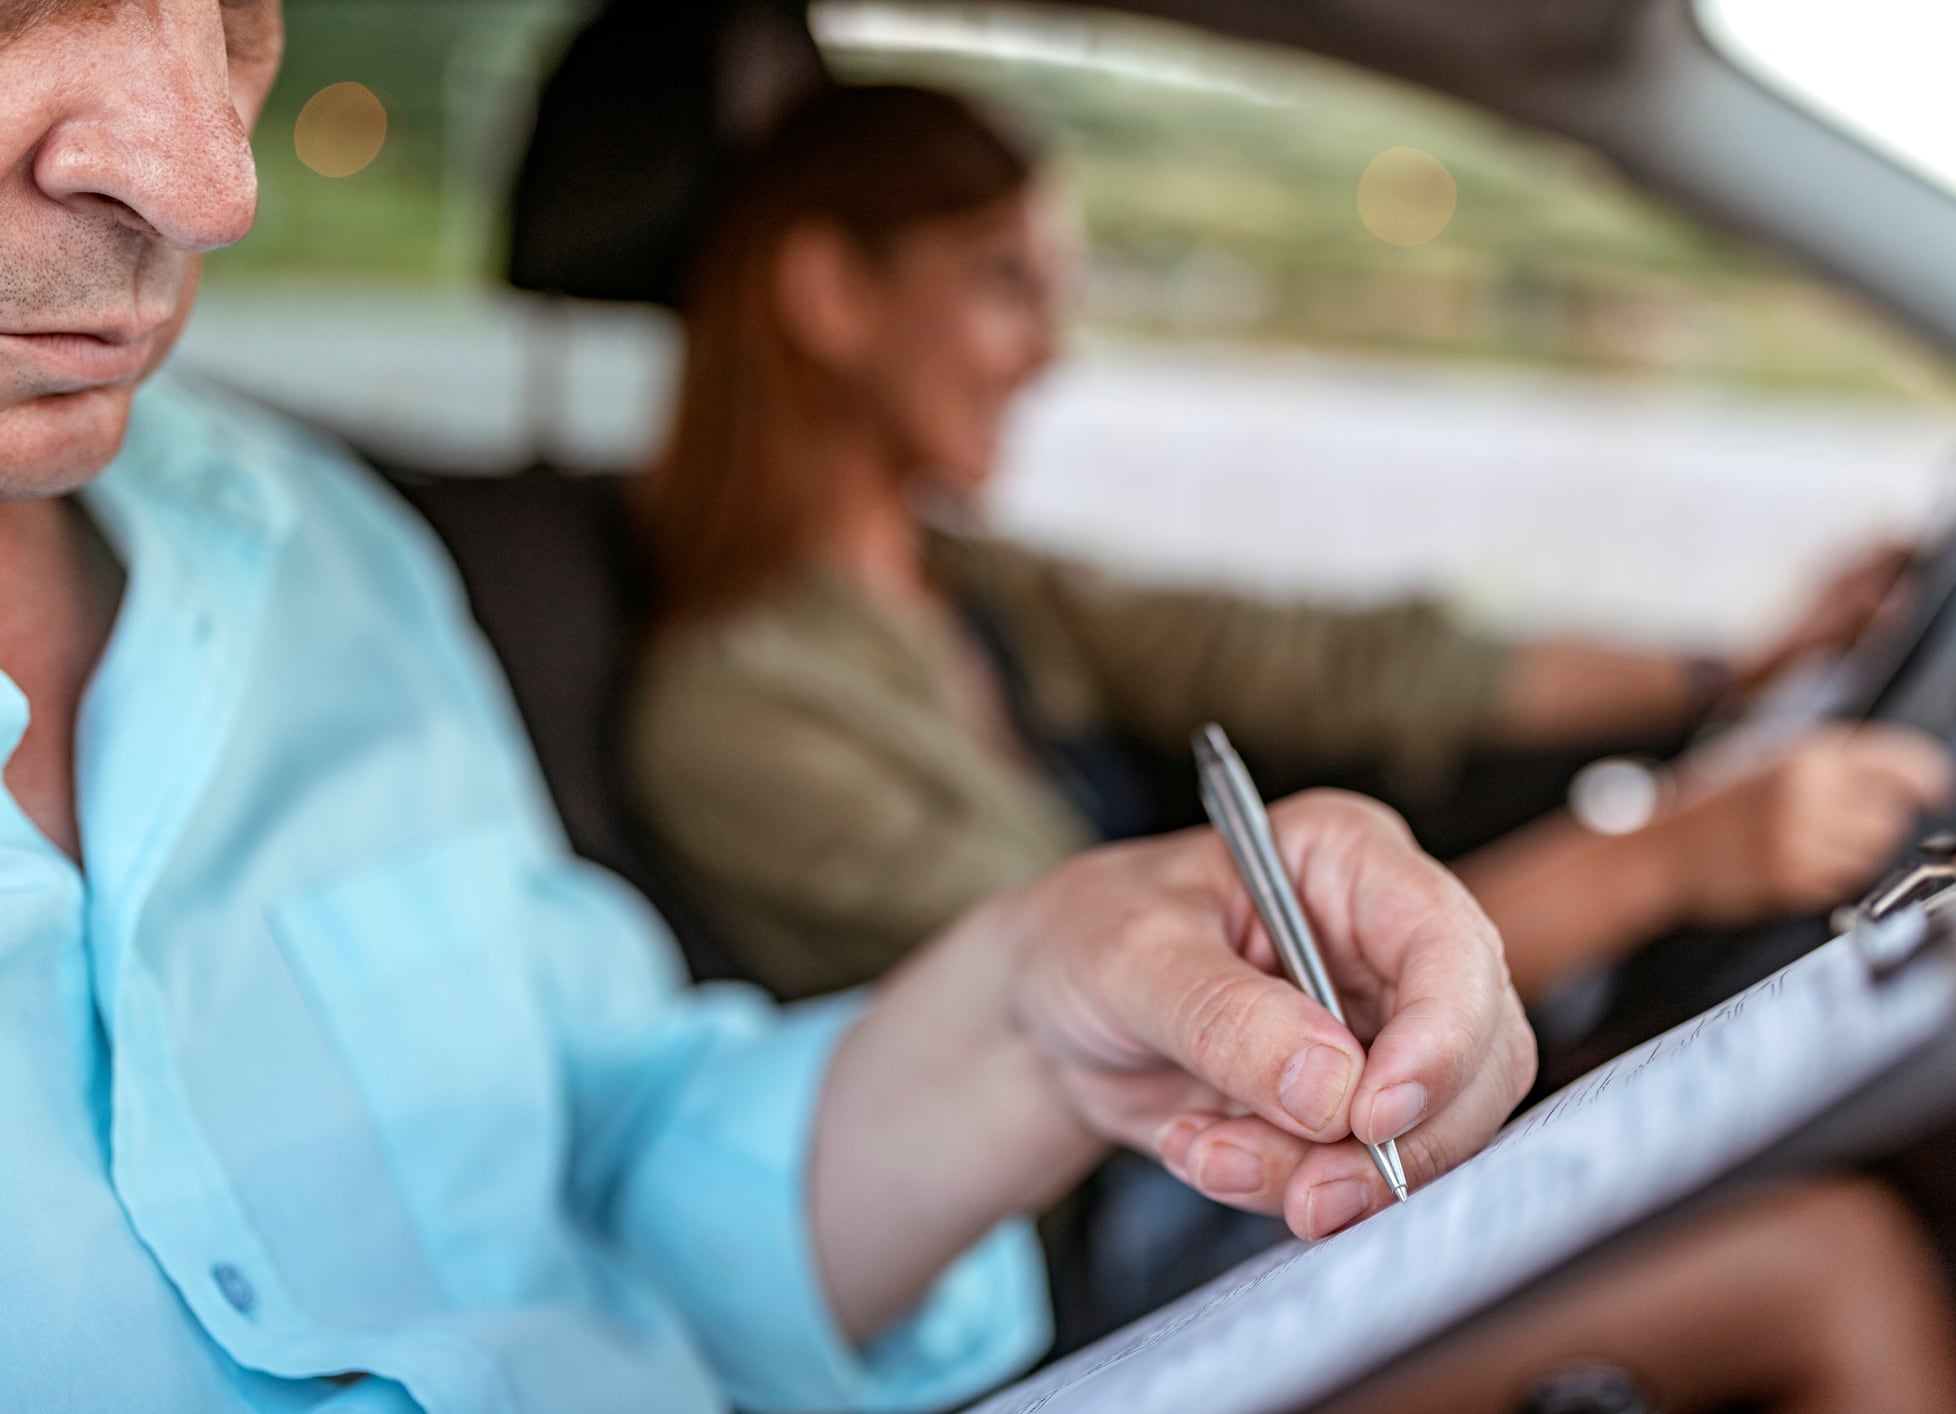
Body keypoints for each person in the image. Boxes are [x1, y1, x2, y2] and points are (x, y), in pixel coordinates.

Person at [0, 4, 1536, 1409]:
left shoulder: (322, 554)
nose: (214, 182)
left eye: (232, 9)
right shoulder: (743, 687)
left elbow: (615, 1165)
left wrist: (1047, 995)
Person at [621, 83, 1956, 1005]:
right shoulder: (737, 714)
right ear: (829, 293)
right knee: (1836, 1255)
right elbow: (1157, 999)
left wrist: (1733, 667)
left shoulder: (971, 584)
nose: (1049, 351)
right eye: (1003, 283)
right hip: (1127, 1240)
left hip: (1243, 1143)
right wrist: (1667, 854)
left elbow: (1320, 662)